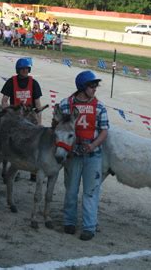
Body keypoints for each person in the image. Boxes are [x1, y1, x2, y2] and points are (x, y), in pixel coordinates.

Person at [60, 70, 109, 241]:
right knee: (71, 190)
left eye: (96, 85)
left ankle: (89, 227)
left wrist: (92, 145)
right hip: (73, 155)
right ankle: (69, 222)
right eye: (92, 85)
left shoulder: (100, 106)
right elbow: (58, 128)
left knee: (91, 192)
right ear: (82, 86)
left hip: (93, 155)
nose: (95, 88)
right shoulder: (65, 104)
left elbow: (104, 131)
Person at [1, 57, 43, 181]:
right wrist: (9, 113)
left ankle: (34, 171)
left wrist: (39, 123)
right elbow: (4, 100)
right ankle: (13, 170)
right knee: (14, 145)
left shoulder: (34, 83)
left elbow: (38, 104)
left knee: (34, 145)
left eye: (27, 68)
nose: (25, 70)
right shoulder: (11, 81)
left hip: (30, 117)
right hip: (16, 117)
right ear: (18, 69)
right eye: (22, 69)